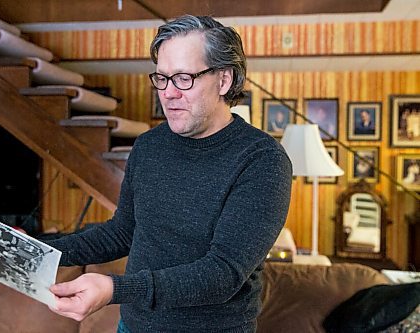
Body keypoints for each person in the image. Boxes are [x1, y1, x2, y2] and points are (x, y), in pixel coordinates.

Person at [46, 15, 292, 332]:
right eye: (161, 78)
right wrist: (40, 249)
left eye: (183, 78)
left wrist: (115, 289)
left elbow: (223, 273)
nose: (168, 93)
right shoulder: (149, 146)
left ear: (224, 80)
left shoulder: (262, 160)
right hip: (133, 327)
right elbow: (122, 232)